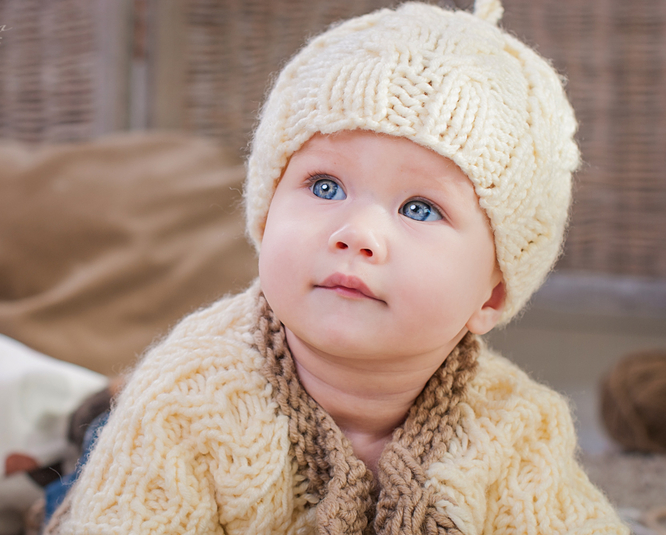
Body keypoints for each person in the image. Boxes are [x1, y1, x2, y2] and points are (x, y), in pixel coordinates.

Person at [44, 0, 628, 533]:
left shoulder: (517, 429)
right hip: (130, 467)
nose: (357, 234)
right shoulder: (186, 400)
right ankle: (95, 424)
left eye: (420, 208)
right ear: (265, 220)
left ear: (492, 297)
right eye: (325, 186)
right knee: (85, 466)